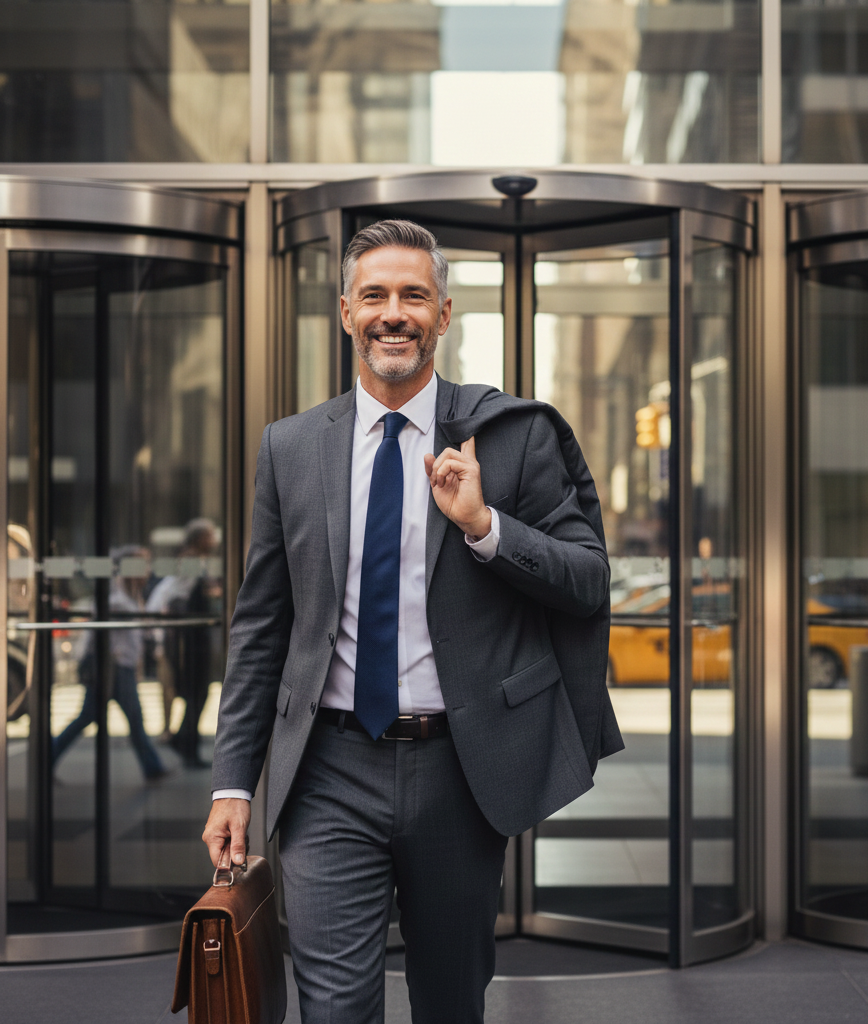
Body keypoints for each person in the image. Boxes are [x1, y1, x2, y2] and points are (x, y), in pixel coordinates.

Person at [203, 219, 622, 1024]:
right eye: (376, 296)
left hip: (460, 772)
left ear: (444, 313)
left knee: (449, 1003)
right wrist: (232, 783)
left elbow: (589, 580)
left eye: (413, 296)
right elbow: (262, 626)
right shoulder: (290, 449)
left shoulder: (513, 436)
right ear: (347, 313)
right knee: (333, 1009)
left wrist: (484, 526)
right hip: (327, 768)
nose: (394, 313)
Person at [52, 547, 167, 782]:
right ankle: (152, 767)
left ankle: (47, 758)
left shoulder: (129, 592)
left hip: (117, 666)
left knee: (95, 717)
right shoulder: (117, 597)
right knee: (132, 717)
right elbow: (102, 630)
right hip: (112, 667)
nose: (146, 571)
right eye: (142, 565)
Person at [146, 518, 219, 767]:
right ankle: (187, 745)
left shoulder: (193, 559)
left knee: (197, 692)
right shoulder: (190, 560)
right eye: (210, 535)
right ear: (200, 539)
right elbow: (180, 593)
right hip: (188, 635)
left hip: (189, 634)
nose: (215, 540)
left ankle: (185, 741)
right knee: (195, 691)